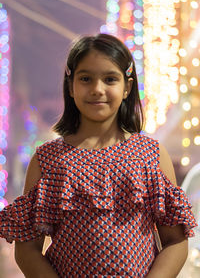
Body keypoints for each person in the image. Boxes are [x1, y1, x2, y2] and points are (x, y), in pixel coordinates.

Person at [0, 33, 197, 278]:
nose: (97, 89)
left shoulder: (151, 155)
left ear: (127, 87)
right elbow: (27, 249)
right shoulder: (48, 160)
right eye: (86, 79)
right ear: (70, 86)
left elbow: (175, 242)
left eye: (110, 79)